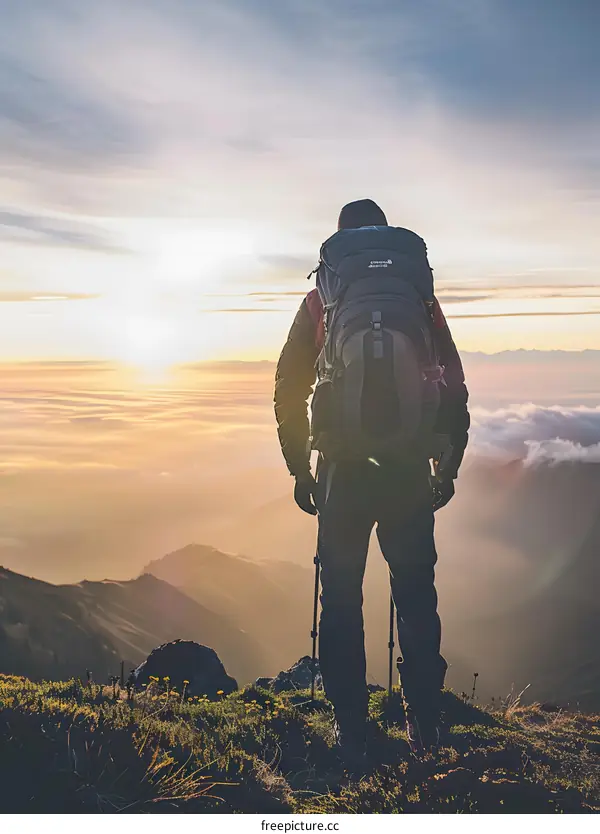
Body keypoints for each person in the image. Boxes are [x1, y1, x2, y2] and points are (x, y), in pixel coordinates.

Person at [274, 199, 470, 761]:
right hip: (407, 467)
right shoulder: (417, 297)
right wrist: (448, 460)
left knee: (340, 598)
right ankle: (426, 728)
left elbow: (289, 382)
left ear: (337, 246)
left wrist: (299, 465)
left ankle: (352, 729)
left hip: (343, 468)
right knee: (415, 595)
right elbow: (453, 381)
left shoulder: (323, 301)